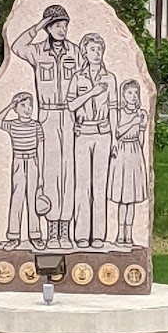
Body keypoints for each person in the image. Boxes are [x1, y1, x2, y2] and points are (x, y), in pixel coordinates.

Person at [11, 4, 82, 250]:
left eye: (64, 25)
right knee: (51, 173)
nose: (62, 30)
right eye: (57, 25)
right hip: (48, 115)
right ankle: (52, 229)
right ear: (49, 28)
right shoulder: (38, 52)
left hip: (70, 115)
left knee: (69, 174)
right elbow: (16, 46)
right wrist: (40, 25)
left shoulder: (76, 51)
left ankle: (66, 230)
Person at [66, 33, 117, 249]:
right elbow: (71, 105)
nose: (97, 54)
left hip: (103, 132)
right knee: (82, 185)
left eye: (100, 49)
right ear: (84, 52)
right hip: (83, 133)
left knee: (99, 185)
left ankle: (98, 234)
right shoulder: (78, 78)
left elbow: (113, 109)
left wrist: (115, 138)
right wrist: (91, 93)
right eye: (93, 49)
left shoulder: (110, 78)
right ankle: (80, 233)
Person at [0, 92, 45, 251]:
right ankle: (13, 236)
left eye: (30, 105)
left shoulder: (36, 125)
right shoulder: (13, 124)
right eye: (23, 105)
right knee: (17, 196)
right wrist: (10, 105)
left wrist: (41, 172)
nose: (27, 109)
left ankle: (35, 235)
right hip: (19, 160)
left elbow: (40, 148)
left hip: (33, 160)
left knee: (32, 198)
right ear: (16, 108)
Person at [107, 79, 148, 246]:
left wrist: (141, 150)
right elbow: (117, 132)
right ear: (123, 95)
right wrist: (133, 122)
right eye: (129, 93)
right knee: (122, 197)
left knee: (131, 198)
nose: (133, 96)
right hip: (122, 151)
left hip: (134, 151)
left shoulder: (141, 113)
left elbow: (142, 135)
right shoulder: (118, 113)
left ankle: (129, 233)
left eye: (135, 93)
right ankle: (119, 232)